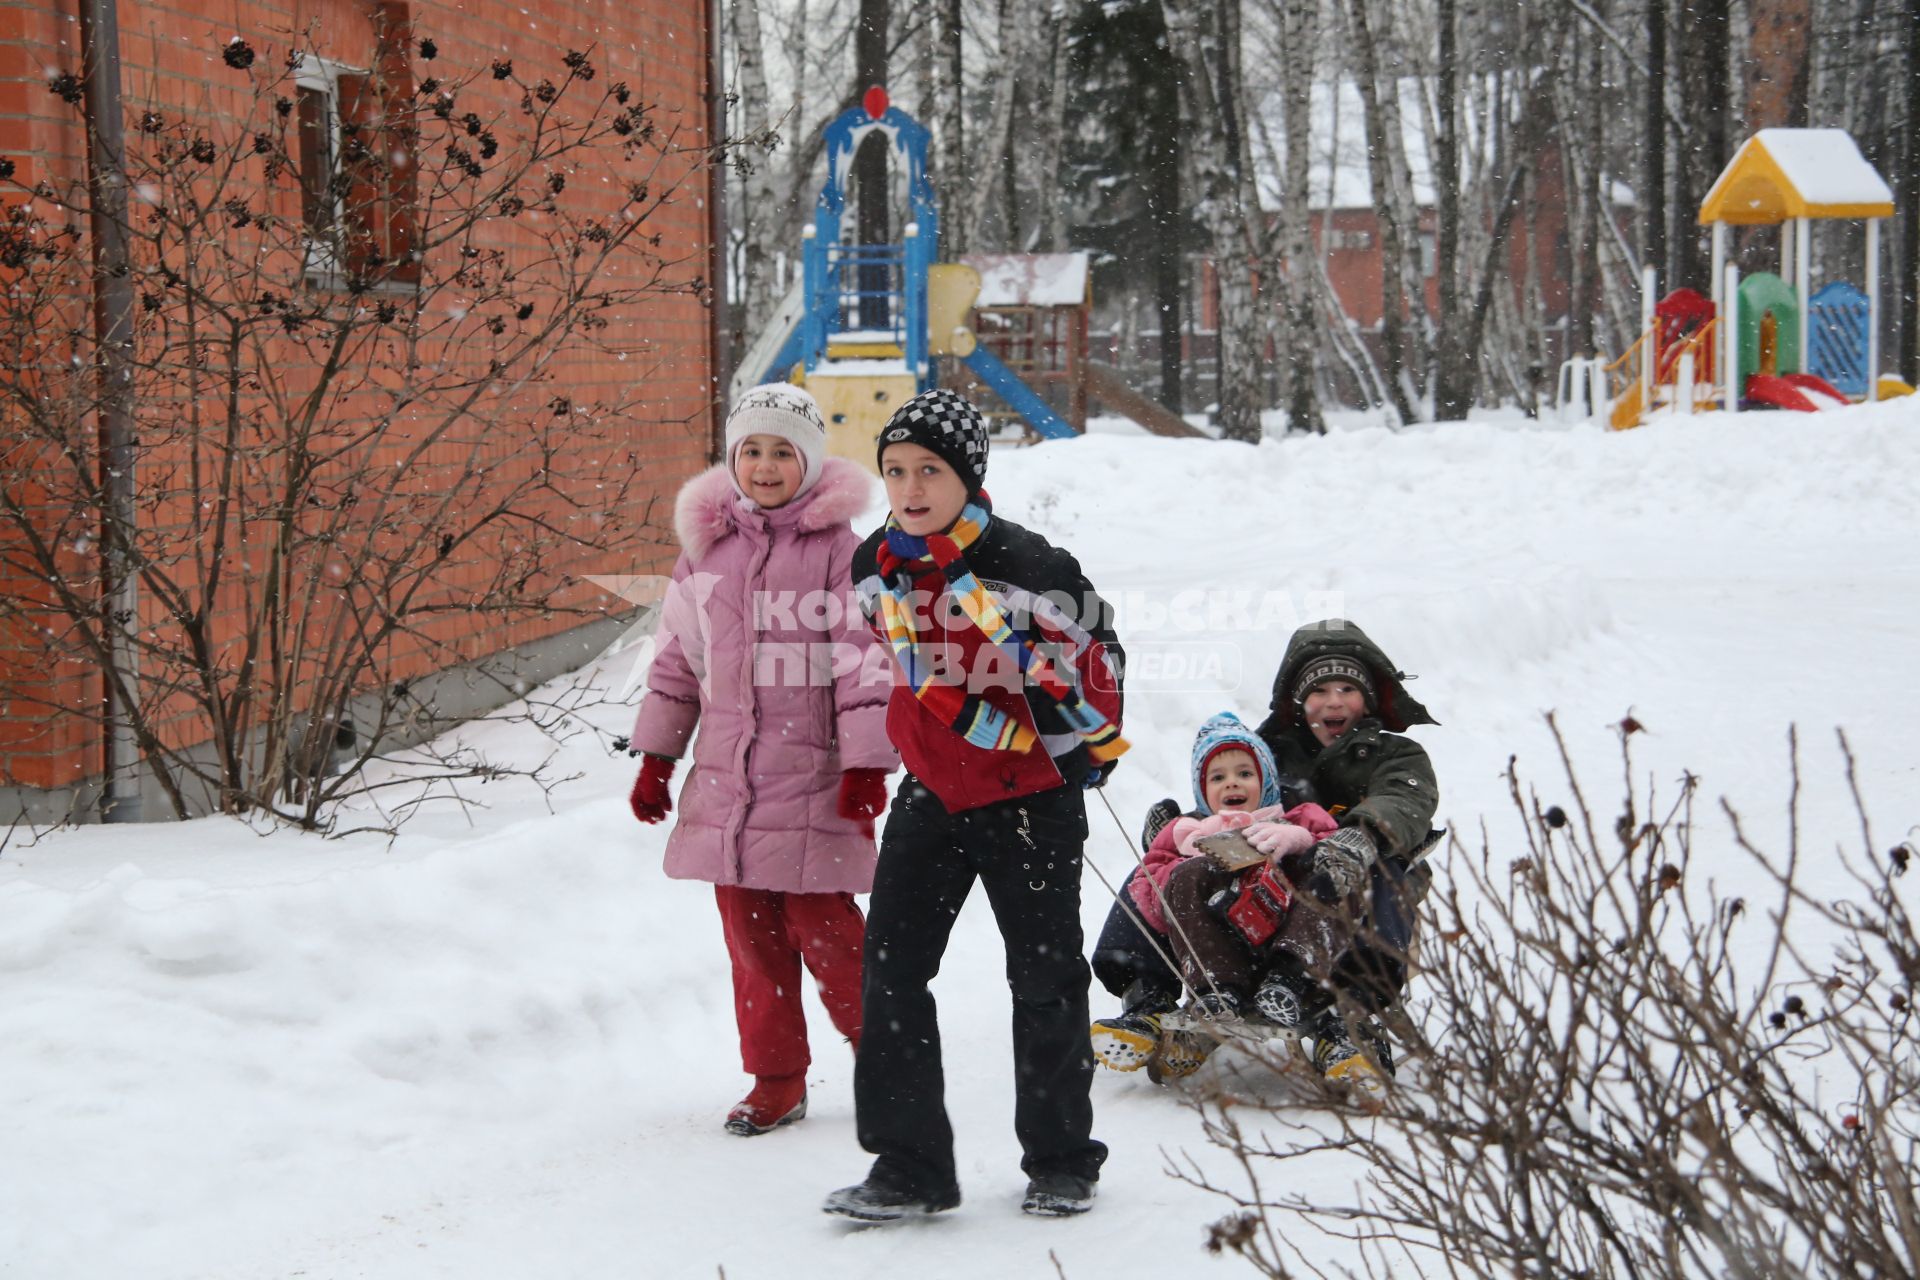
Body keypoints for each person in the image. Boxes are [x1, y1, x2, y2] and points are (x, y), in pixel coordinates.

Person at [821, 388, 1127, 1223]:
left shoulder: (1032, 568)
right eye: (895, 472)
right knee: (890, 971)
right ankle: (910, 1167)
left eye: (930, 471)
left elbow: (1105, 675)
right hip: (931, 795)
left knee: (1044, 980)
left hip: (1030, 798)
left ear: (969, 476)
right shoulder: (871, 567)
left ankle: (1062, 1160)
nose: (911, 489)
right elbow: (896, 667)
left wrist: (1057, 713)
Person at [626, 384, 898, 1138]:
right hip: (729, 779)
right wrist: (655, 757)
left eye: (784, 452)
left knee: (829, 932)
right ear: (733, 457)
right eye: (753, 450)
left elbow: (865, 664)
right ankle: (776, 1077)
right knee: (750, 940)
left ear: (809, 464)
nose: (767, 465)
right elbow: (677, 659)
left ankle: (885, 1056)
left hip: (814, 775)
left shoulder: (842, 552)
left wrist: (866, 766)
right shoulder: (706, 550)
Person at [1158, 620, 1439, 1092]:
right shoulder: (1277, 749)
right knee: (1177, 874)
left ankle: (1352, 1012)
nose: (1333, 702)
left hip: (1363, 867)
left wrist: (1364, 833)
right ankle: (1183, 990)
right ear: (1299, 702)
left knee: (1368, 882)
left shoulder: (1397, 755)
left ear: (1368, 700)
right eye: (1320, 691)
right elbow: (1242, 796)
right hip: (1276, 870)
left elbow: (1404, 799)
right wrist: (1183, 826)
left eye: (1347, 688)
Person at [1087, 712, 1335, 1073]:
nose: (1232, 784)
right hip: (1215, 956)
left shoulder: (1298, 816)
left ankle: (1291, 987)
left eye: (1245, 774)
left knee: (1327, 880)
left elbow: (1338, 856)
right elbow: (1146, 889)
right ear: (1202, 791)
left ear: (1266, 780)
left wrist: (1299, 839)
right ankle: (1194, 998)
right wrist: (1183, 868)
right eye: (1218, 777)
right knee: (1179, 876)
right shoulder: (1188, 832)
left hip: (1288, 951)